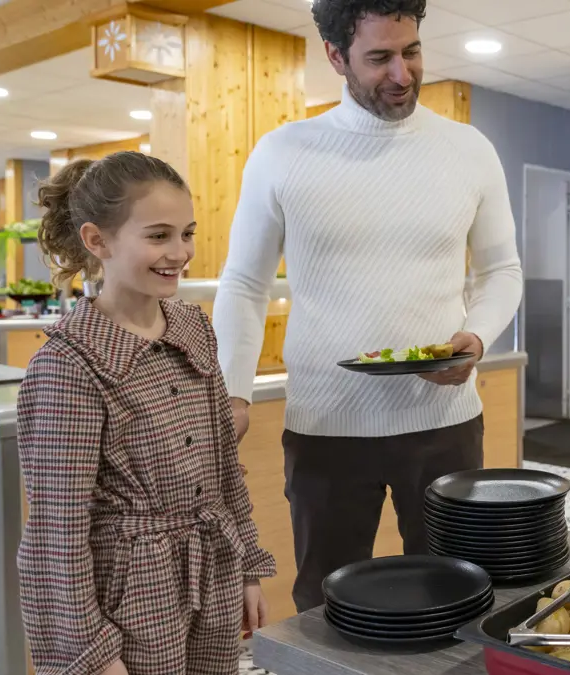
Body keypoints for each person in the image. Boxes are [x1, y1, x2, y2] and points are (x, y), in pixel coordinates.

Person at [211, 0, 522, 612]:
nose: (402, 74)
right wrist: (234, 392)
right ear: (335, 56)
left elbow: (501, 270)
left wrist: (479, 336)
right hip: (326, 426)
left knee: (454, 593)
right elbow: (244, 283)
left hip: (444, 421)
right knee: (325, 601)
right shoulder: (282, 153)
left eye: (412, 52)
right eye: (379, 58)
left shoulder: (469, 149)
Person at [16, 152, 275, 675]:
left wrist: (248, 564)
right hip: (129, 598)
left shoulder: (193, 329)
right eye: (158, 236)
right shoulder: (69, 364)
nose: (179, 253)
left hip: (213, 576)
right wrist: (92, 655)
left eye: (187, 233)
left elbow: (224, 467)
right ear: (97, 241)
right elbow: (56, 534)